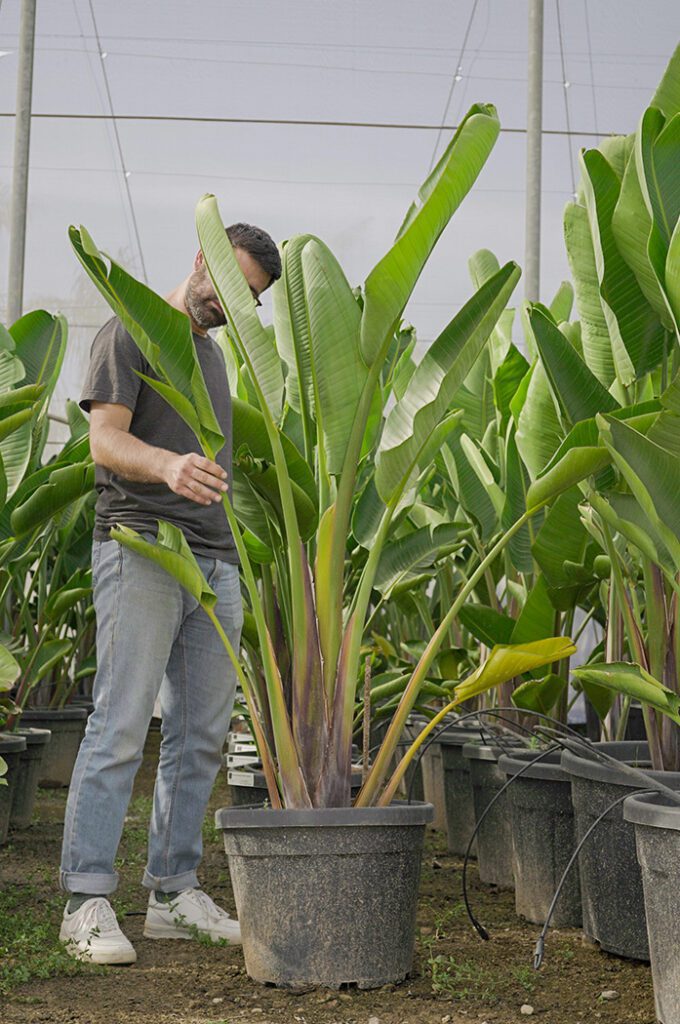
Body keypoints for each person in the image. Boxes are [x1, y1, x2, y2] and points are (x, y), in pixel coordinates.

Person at [59, 223, 281, 965]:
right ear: (200, 261)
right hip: (143, 547)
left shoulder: (215, 360)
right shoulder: (130, 332)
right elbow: (105, 441)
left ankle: (171, 893)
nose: (231, 304)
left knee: (201, 739)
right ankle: (86, 899)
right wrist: (168, 466)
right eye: (229, 284)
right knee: (121, 723)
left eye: (249, 299)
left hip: (214, 563)